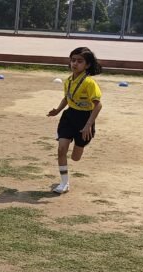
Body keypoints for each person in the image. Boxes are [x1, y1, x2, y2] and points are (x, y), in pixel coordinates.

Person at [46, 47, 103, 195]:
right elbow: (67, 98)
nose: (75, 63)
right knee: (61, 149)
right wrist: (57, 110)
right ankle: (64, 182)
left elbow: (98, 105)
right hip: (69, 116)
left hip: (85, 119)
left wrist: (88, 125)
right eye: (73, 60)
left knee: (75, 158)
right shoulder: (69, 80)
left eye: (79, 61)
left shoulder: (89, 83)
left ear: (87, 65)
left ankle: (80, 146)